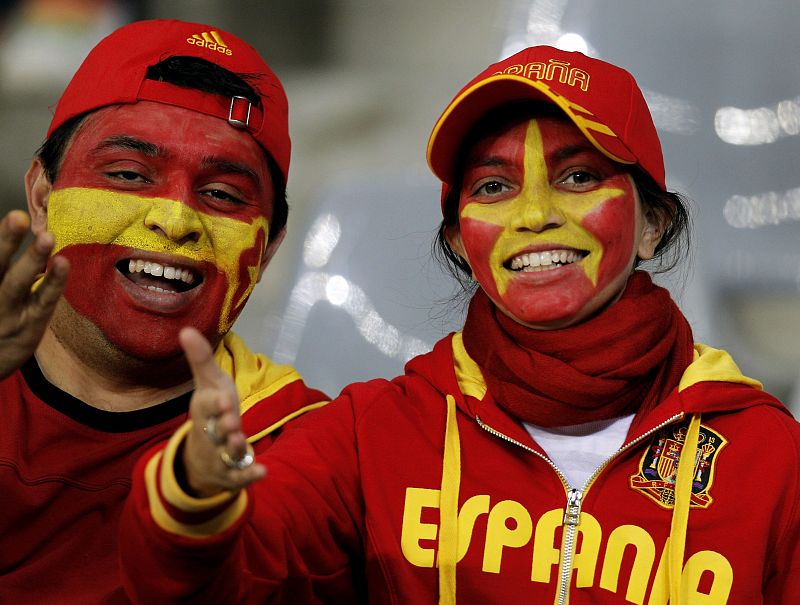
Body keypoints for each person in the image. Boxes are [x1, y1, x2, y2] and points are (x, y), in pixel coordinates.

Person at [120, 45, 800, 604]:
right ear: (459, 244)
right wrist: (198, 497)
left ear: (654, 224)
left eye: (578, 175)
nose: (533, 214)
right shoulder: (370, 434)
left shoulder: (770, 460)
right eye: (494, 187)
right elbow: (220, 585)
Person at [0, 18, 328, 604]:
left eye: (222, 195)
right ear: (43, 198)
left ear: (269, 247)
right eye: (129, 175)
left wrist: (197, 504)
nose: (174, 219)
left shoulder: (302, 447)